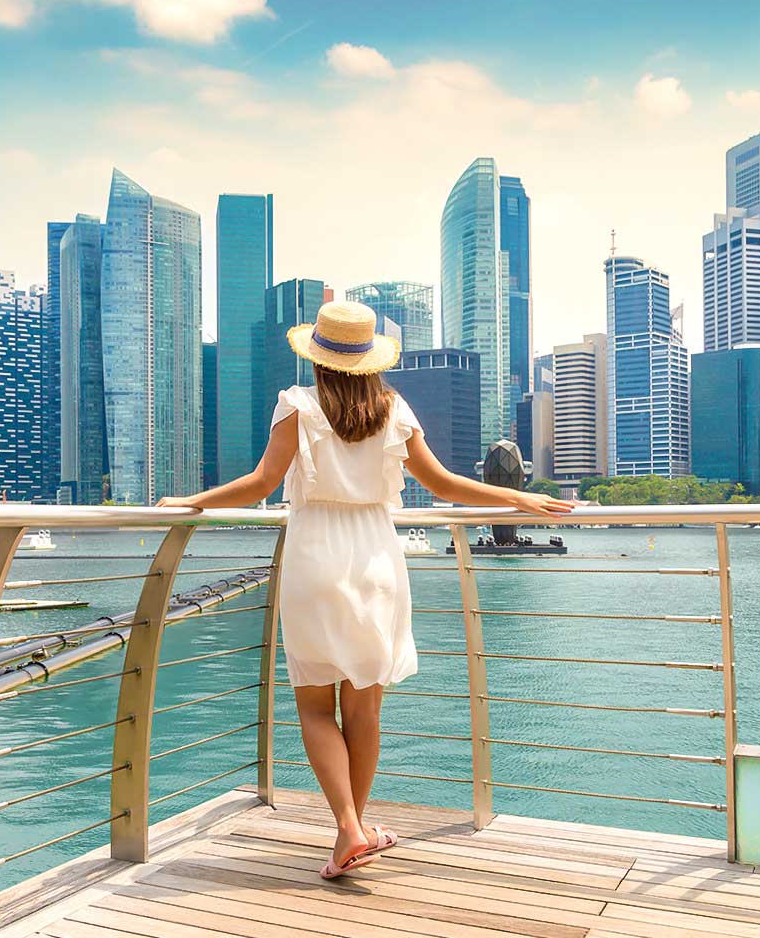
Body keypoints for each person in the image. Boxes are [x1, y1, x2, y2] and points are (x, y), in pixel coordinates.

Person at [158, 300, 574, 878]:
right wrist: (517, 497)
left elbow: (260, 483)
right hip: (378, 559)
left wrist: (191, 500)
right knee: (365, 705)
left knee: (314, 704)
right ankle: (350, 831)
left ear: (319, 358)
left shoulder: (297, 405)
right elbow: (443, 483)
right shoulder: (394, 409)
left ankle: (349, 830)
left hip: (315, 560)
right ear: (369, 360)